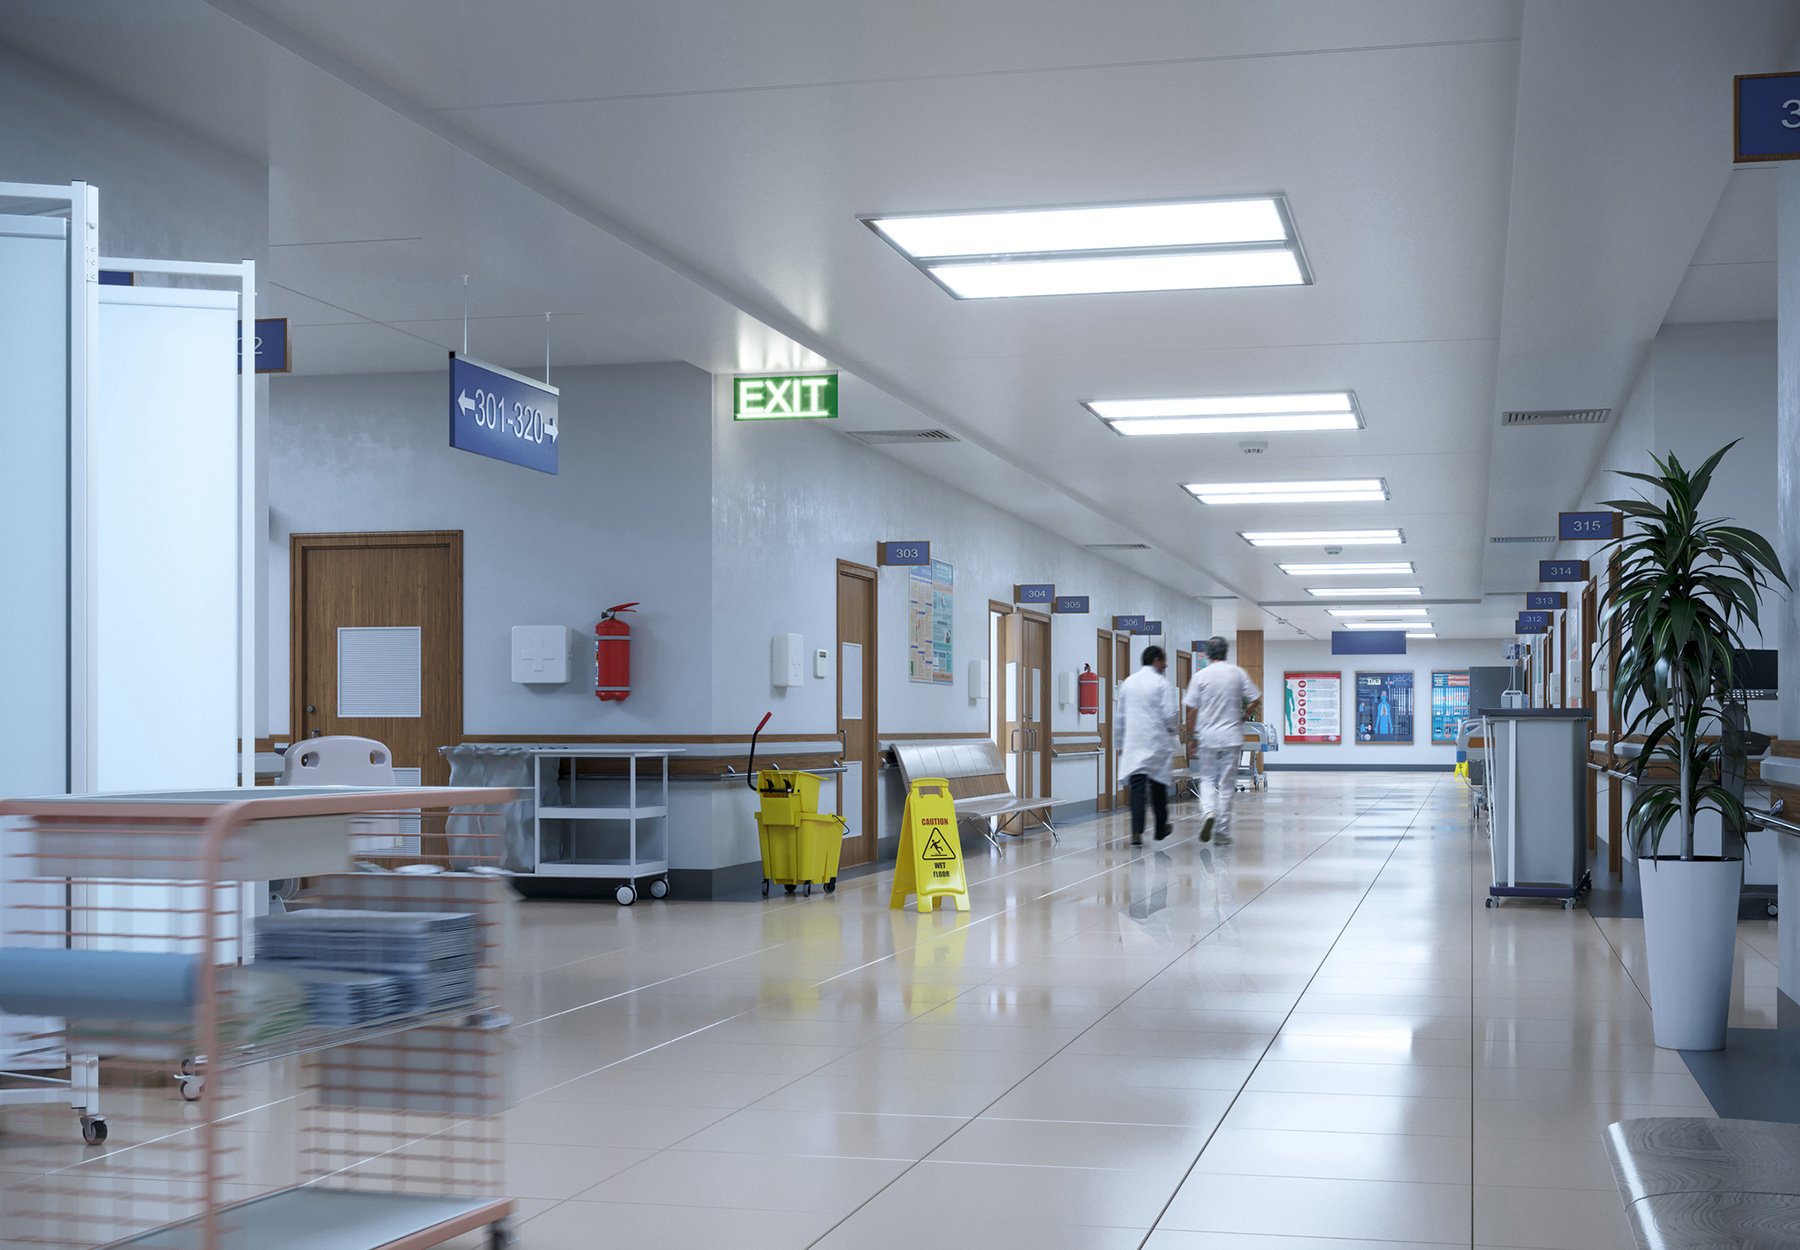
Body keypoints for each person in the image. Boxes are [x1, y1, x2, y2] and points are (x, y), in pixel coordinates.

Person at [1184, 636, 1262, 844]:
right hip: (1231, 736)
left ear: (1208, 655)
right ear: (1226, 653)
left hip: (1208, 737)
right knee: (1227, 785)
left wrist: (1191, 736)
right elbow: (1255, 699)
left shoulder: (1200, 676)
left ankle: (1208, 812)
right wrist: (1245, 714)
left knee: (1208, 779)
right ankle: (1222, 832)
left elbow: (1191, 709)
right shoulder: (1237, 673)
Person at [1114, 644, 1180, 846]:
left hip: (1134, 743)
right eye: (1164, 661)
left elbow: (1120, 716)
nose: (1165, 665)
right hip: (1156, 742)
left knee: (1137, 788)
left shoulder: (1128, 683)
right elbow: (1170, 715)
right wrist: (1172, 731)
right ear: (1156, 661)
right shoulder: (1161, 683)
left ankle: (1136, 831)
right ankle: (1160, 829)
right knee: (1158, 786)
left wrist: (1119, 742)